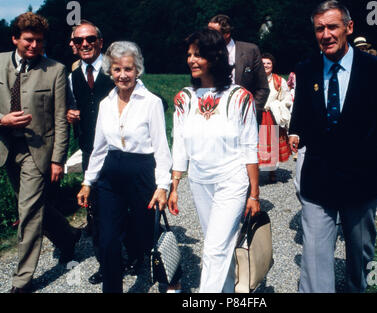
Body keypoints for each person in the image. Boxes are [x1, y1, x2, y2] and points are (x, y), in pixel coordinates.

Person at [288, 1, 377, 292]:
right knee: (314, 256)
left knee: (361, 253)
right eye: (319, 29)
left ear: (348, 27)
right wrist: (296, 133)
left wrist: (356, 159)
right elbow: (300, 115)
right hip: (318, 178)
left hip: (361, 178)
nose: (326, 34)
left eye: (332, 27)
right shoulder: (306, 69)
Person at [76, 41, 178, 293]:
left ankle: (172, 280)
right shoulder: (105, 104)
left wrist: (163, 186)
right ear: (110, 72)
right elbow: (99, 148)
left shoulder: (151, 102)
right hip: (111, 172)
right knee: (108, 238)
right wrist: (88, 182)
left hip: (142, 170)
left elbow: (161, 148)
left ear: (138, 70)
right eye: (117, 69)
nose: (123, 75)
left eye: (128, 69)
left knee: (146, 235)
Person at [168, 28, 260, 293]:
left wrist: (254, 193)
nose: (192, 60)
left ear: (216, 57)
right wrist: (175, 185)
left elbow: (249, 146)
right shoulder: (184, 98)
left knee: (214, 249)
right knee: (218, 247)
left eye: (199, 54)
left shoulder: (239, 97)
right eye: (189, 55)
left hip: (231, 182)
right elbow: (180, 145)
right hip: (199, 182)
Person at [0, 12, 81, 293]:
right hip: (7, 150)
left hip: (39, 152)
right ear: (15, 39)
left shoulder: (55, 70)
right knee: (34, 207)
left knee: (29, 211)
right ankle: (69, 237)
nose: (34, 46)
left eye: (39, 41)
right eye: (29, 40)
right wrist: (3, 120)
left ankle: (21, 281)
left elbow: (61, 118)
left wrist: (58, 158)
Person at [66, 19, 115, 285]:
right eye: (79, 41)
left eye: (90, 39)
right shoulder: (72, 77)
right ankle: (105, 264)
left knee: (126, 206)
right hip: (89, 152)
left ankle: (135, 254)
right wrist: (69, 114)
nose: (85, 44)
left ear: (100, 42)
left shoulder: (116, 69)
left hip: (120, 152)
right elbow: (69, 108)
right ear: (73, 45)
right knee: (94, 209)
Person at [208, 14, 269, 125]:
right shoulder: (205, 53)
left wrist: (250, 111)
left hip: (244, 118)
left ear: (226, 34)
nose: (208, 36)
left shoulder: (250, 51)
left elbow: (262, 88)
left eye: (213, 33)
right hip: (214, 116)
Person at [259, 53, 292, 183]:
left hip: (272, 115)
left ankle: (272, 172)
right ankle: (254, 171)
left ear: (272, 65)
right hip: (257, 114)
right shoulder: (254, 79)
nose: (265, 65)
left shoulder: (279, 80)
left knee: (272, 142)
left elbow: (287, 98)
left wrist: (278, 106)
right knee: (255, 143)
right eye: (263, 63)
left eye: (268, 63)